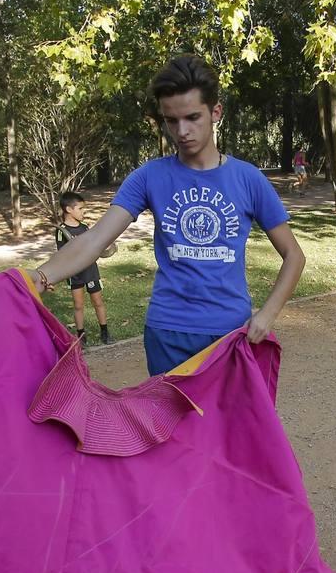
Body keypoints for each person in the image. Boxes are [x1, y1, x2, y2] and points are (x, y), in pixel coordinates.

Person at [29, 55, 305, 375]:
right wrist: (42, 275)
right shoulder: (149, 177)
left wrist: (267, 314)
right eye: (171, 121)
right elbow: (94, 239)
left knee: (226, 427)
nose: (182, 131)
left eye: (192, 117)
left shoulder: (248, 179)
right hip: (167, 333)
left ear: (216, 112)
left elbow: (293, 255)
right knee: (168, 427)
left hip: (230, 333)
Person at [55, 191, 116, 346]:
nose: (83, 212)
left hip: (90, 270)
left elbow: (94, 248)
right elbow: (63, 254)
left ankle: (105, 332)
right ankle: (81, 336)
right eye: (80, 209)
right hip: (74, 273)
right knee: (78, 304)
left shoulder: (85, 227)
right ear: (69, 209)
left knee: (98, 301)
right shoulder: (62, 231)